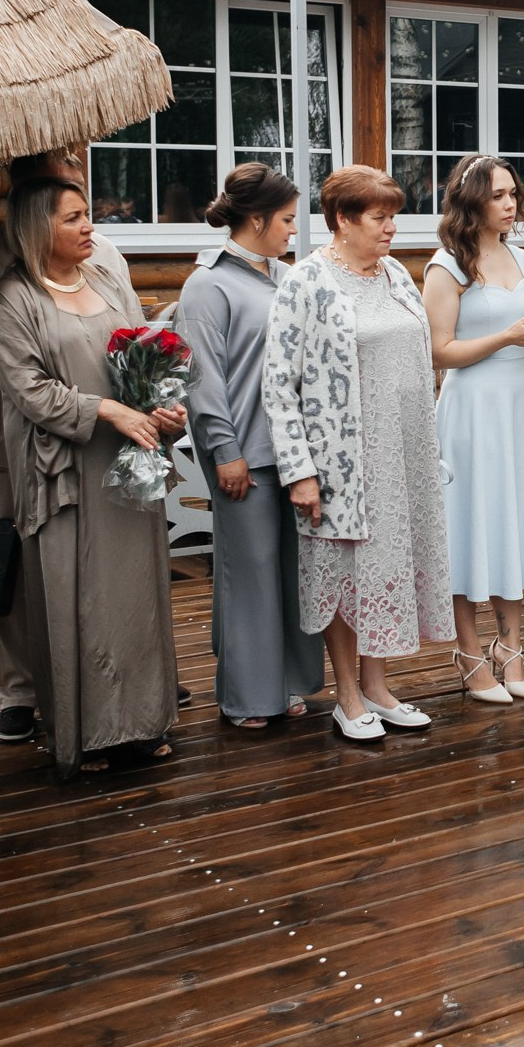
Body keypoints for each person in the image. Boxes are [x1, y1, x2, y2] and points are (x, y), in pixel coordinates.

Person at [0, 177, 185, 776]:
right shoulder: (9, 300)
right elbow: (30, 392)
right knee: (79, 599)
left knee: (137, 596)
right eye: (73, 218)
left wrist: (159, 406)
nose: (89, 227)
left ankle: (143, 723)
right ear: (37, 228)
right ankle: (90, 732)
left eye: (87, 215)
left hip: (128, 464)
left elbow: (138, 359)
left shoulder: (105, 281)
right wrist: (107, 411)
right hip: (66, 468)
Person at [0, 150, 131, 744]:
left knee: (108, 565)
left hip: (106, 439)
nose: (73, 177)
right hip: (18, 444)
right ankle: (19, 687)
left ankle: (117, 671)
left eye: (75, 177)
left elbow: (131, 338)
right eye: (59, 177)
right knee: (21, 571)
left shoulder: (104, 253)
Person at [264, 166, 452, 742]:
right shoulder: (307, 282)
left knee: (386, 570)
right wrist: (300, 472)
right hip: (343, 460)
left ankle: (378, 686)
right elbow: (279, 385)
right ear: (343, 220)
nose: (391, 228)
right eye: (379, 217)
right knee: (345, 572)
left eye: (394, 215)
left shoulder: (395, 274)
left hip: (403, 454)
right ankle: (347, 695)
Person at [183, 162, 323, 729]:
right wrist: (225, 452)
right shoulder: (207, 285)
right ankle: (246, 695)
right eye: (287, 219)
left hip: (295, 455)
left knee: (293, 573)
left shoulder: (286, 277)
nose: (294, 229)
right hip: (244, 457)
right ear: (257, 218)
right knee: (250, 574)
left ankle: (290, 681)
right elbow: (203, 379)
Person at [425, 156, 524, 699]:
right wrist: (507, 337)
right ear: (472, 202)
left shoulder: (523, 257)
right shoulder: (448, 265)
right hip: (471, 408)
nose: (511, 204)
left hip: (520, 402)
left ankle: (512, 650)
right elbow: (440, 350)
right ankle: (468, 653)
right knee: (471, 527)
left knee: (513, 522)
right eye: (499, 195)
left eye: (514, 194)